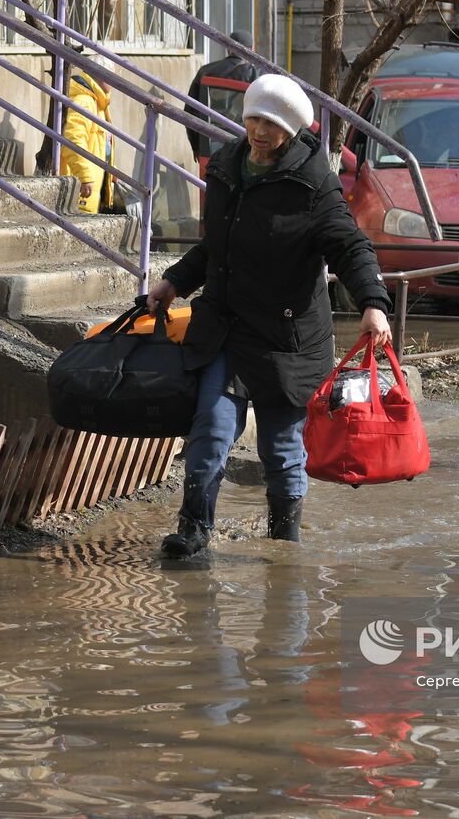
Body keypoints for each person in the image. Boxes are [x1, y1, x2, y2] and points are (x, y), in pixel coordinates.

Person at [146, 73, 393, 559]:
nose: (259, 131)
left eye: (271, 124)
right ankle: (193, 533)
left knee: (281, 452)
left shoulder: (313, 183)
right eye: (253, 118)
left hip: (286, 340)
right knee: (210, 435)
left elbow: (350, 246)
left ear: (292, 130)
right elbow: (217, 246)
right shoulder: (226, 167)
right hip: (226, 328)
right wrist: (174, 281)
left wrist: (373, 303)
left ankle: (284, 546)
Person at [185, 30, 260, 160]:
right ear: (251, 49)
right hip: (245, 150)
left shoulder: (205, 71)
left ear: (228, 48)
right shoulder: (256, 75)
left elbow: (190, 112)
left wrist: (196, 148)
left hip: (209, 150)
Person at [59, 59, 115, 214]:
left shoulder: (99, 104)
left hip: (92, 184)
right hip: (83, 188)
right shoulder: (85, 102)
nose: (115, 83)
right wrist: (84, 176)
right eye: (113, 77)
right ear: (102, 76)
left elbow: (101, 145)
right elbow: (73, 140)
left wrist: (112, 171)